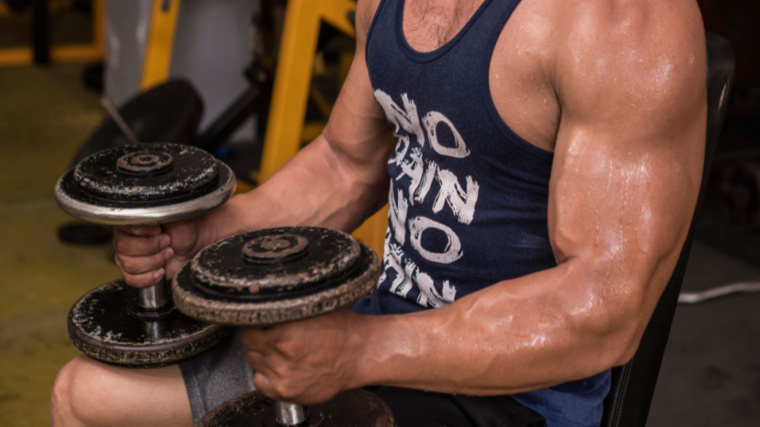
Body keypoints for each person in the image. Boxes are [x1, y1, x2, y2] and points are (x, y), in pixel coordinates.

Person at [51, 0, 708, 425]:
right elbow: (346, 161)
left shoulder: (621, 20)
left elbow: (606, 307)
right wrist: (208, 238)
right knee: (86, 396)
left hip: (513, 399)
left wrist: (362, 350)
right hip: (378, 334)